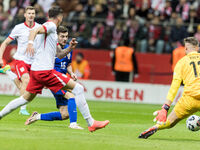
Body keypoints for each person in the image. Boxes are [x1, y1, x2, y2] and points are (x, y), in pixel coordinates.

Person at [0, 6, 109, 132]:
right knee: (78, 88)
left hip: (36, 72)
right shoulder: (51, 26)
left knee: (24, 99)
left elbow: (59, 54)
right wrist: (30, 43)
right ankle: (91, 122)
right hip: (45, 72)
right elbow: (33, 32)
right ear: (60, 17)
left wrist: (70, 48)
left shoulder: (51, 32)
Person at [139, 37, 200, 139]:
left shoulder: (181, 63)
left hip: (189, 99)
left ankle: (156, 127)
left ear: (185, 49)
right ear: (197, 48)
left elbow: (174, 86)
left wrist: (165, 107)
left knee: (170, 122)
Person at [25, 25, 83, 130]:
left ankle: (37, 116)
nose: (65, 39)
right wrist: (45, 81)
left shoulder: (69, 48)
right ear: (56, 36)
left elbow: (68, 64)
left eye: (66, 36)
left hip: (63, 79)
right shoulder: (50, 48)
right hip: (54, 80)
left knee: (65, 114)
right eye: (62, 36)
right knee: (71, 96)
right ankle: (73, 124)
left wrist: (72, 73)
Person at [0, 6, 41, 115]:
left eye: (33, 13)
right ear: (25, 15)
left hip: (34, 62)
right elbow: (5, 43)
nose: (31, 15)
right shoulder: (18, 28)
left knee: (26, 87)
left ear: (35, 15)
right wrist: (0, 58)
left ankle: (8, 72)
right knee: (26, 81)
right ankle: (23, 109)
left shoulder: (40, 28)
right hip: (21, 60)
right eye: (29, 13)